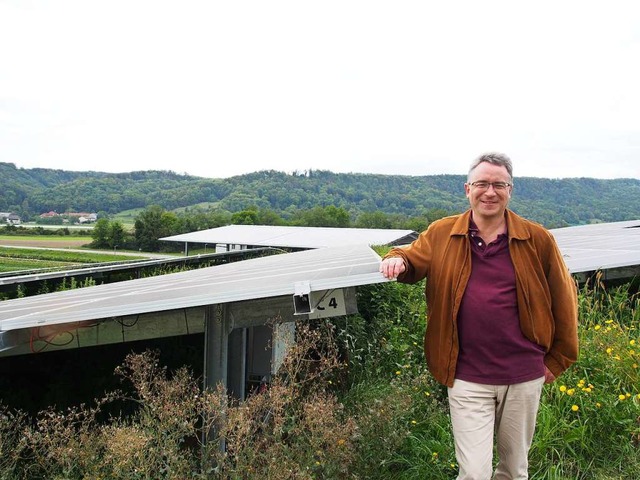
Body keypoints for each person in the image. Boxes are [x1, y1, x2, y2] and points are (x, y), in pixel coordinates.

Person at [379, 152, 578, 480]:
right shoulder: (443, 233)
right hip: (467, 375)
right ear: (467, 189)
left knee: (514, 471)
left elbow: (564, 301)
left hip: (524, 374)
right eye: (482, 183)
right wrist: (397, 259)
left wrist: (557, 361)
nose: (490, 191)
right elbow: (412, 257)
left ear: (510, 190)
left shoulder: (538, 239)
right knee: (474, 473)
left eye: (498, 184)